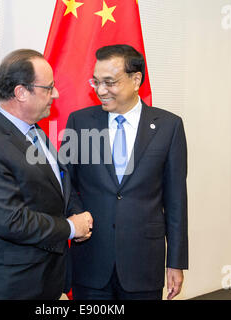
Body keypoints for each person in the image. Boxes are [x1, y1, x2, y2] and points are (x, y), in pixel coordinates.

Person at [0, 49, 93, 300]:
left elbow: (56, 186)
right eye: (48, 87)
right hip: (9, 286)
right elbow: (10, 220)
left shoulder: (34, 132)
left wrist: (75, 214)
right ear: (21, 92)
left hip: (45, 280)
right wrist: (69, 228)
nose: (55, 94)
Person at [63, 44, 188, 300]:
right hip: (91, 260)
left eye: (109, 82)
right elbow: (65, 182)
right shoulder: (80, 122)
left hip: (143, 264)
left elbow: (176, 200)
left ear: (136, 79)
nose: (100, 91)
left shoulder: (169, 127)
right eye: (96, 82)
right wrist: (79, 216)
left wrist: (176, 261)